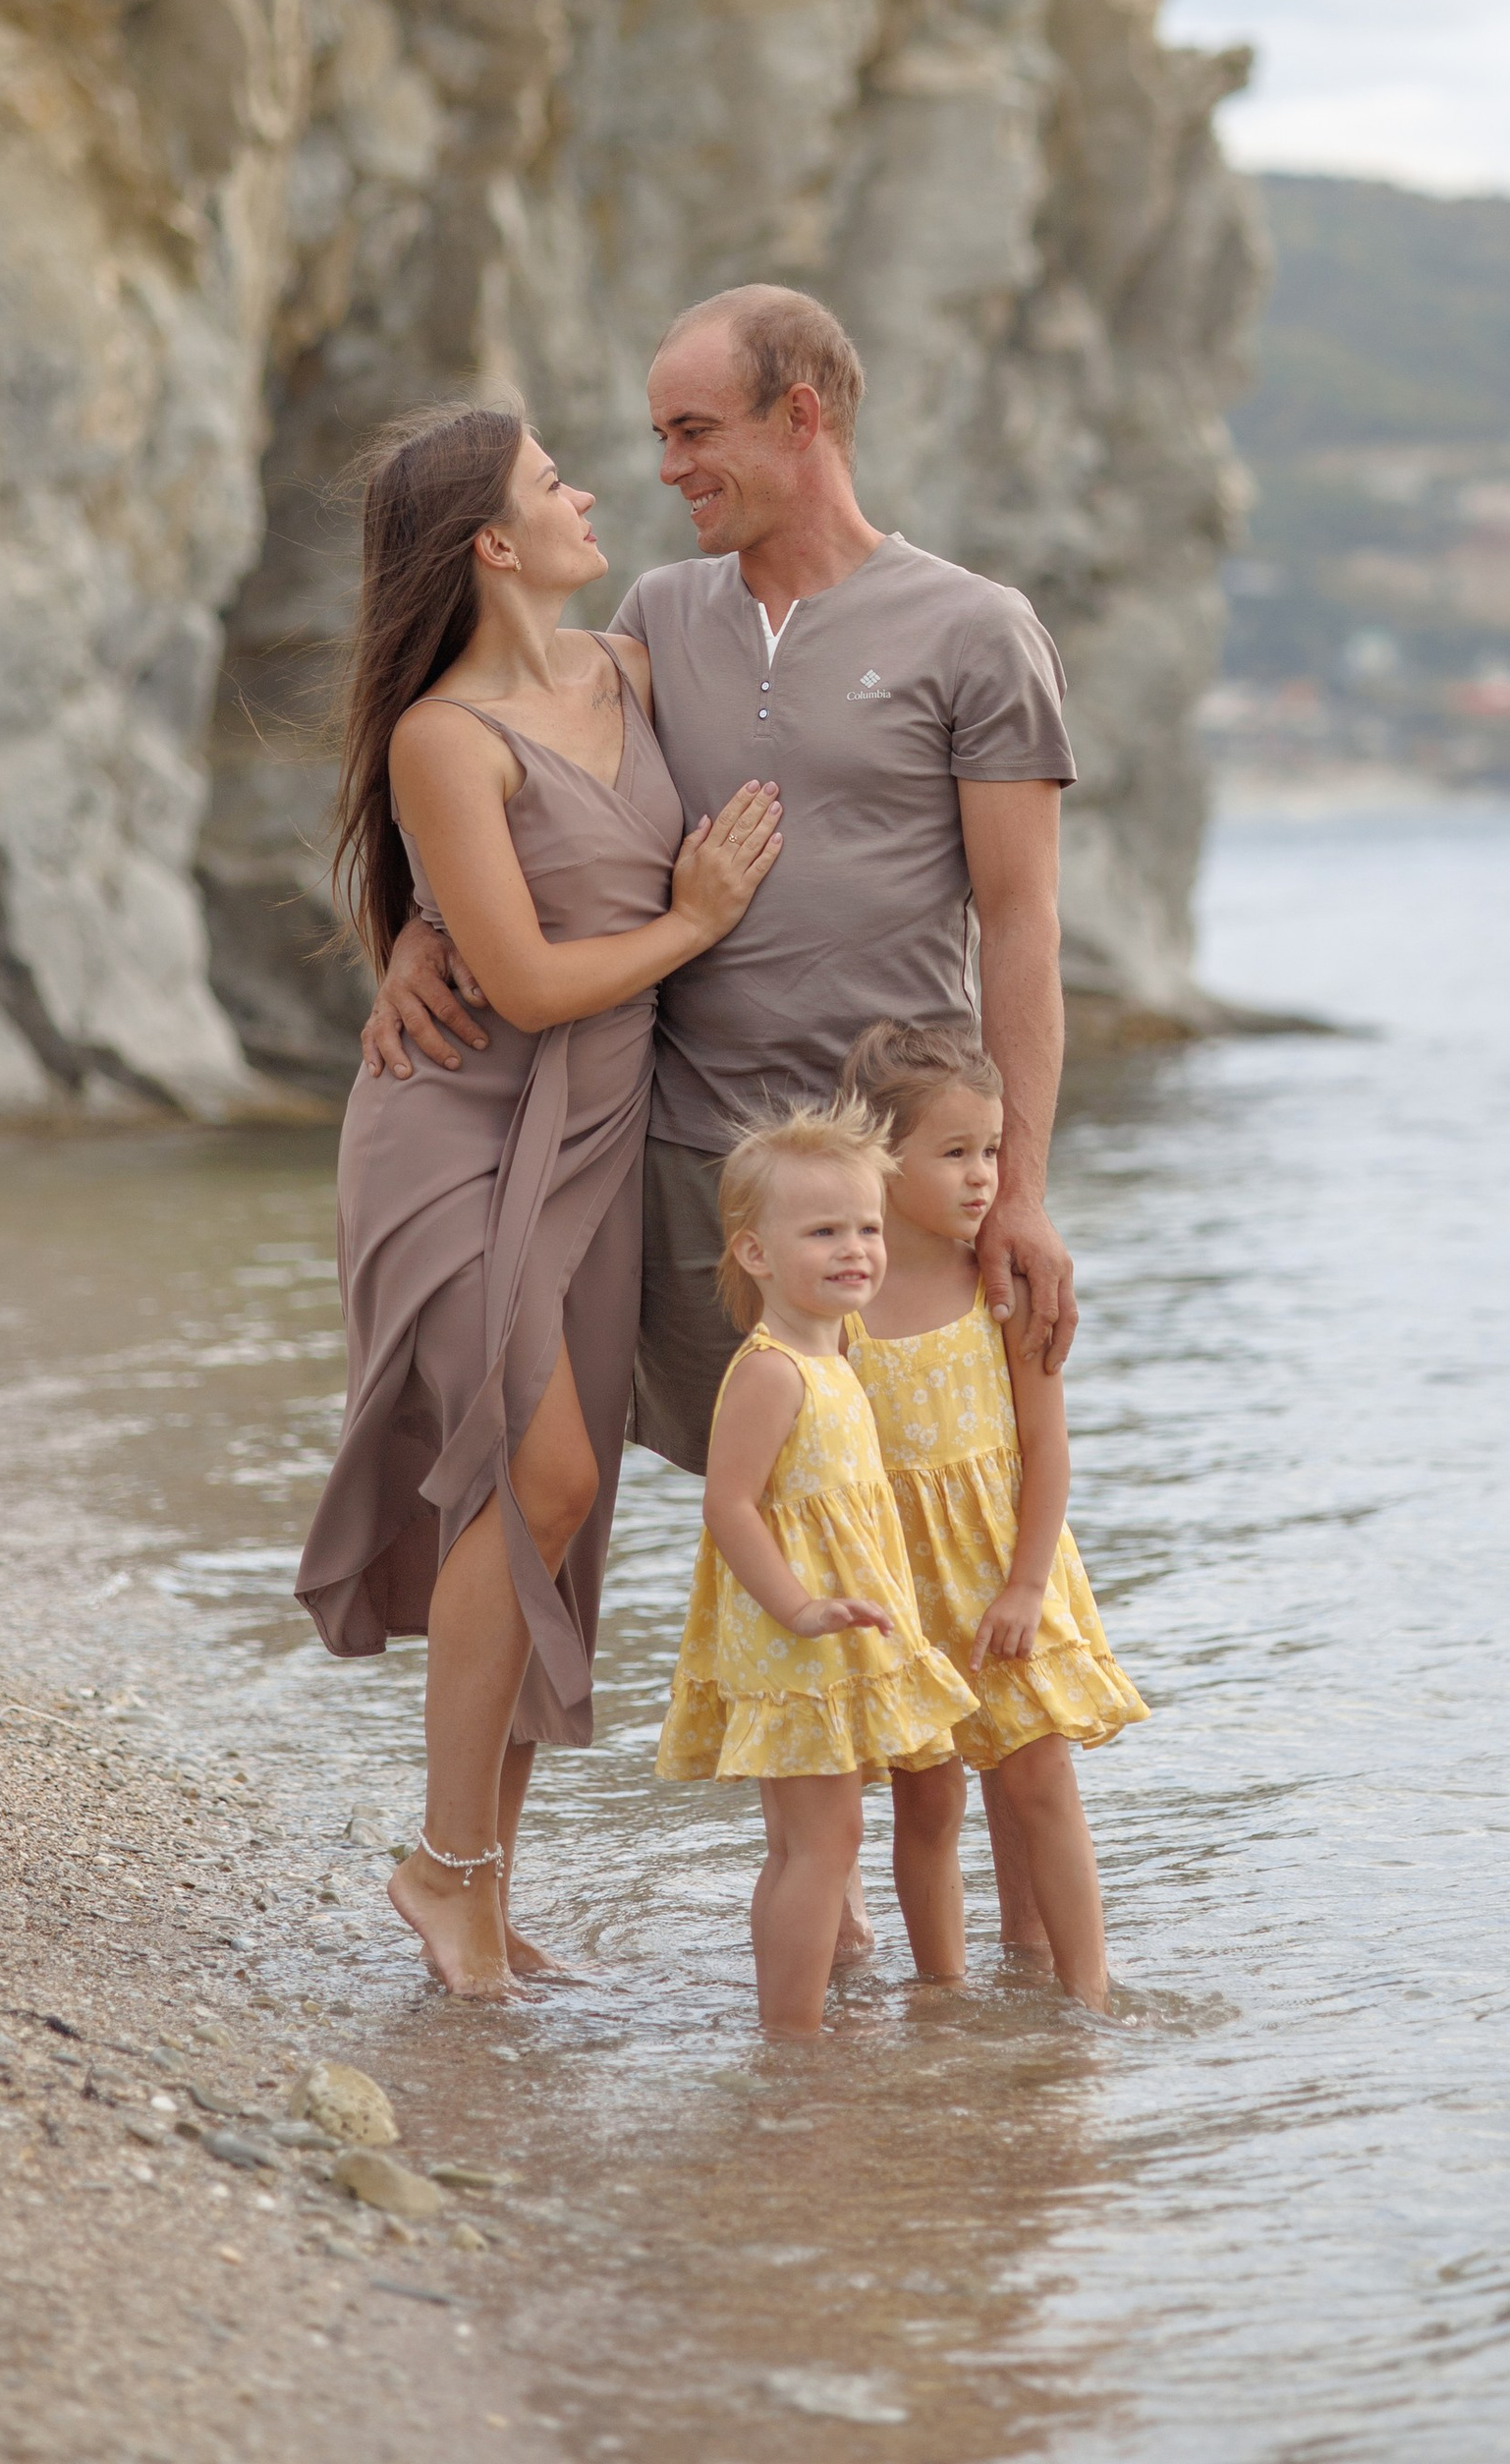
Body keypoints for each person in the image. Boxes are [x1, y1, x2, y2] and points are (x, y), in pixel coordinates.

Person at [360, 282, 1081, 1446]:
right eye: (658, 437)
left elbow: (1022, 921)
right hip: (699, 1163)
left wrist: (1023, 1194)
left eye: (693, 433)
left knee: (931, 1515)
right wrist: (420, 927)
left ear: (798, 419)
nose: (665, 468)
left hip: (894, 1164)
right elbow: (502, 752)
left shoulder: (977, 629)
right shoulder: (658, 615)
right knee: (755, 1513)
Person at [296, 405, 782, 2000]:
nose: (593, 498)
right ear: (495, 545)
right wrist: (697, 918)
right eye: (555, 483)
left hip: (594, 1136)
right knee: (539, 1470)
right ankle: (442, 1873)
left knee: (551, 1510)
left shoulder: (627, 668)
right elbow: (520, 975)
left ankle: (480, 1897)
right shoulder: (445, 734)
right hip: (454, 1130)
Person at [837, 1020, 1145, 2011]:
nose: (984, 1178)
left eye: (994, 1152)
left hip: (1010, 1578)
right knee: (924, 1804)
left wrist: (1022, 1586)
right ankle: (942, 2000)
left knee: (1041, 1781)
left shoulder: (999, 1291)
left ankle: (1086, 1994)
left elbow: (1047, 1449)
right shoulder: (839, 1308)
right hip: (903, 1597)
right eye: (956, 1153)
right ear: (879, 1162)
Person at [654, 1107, 978, 2035]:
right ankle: (790, 2036)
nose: (856, 1250)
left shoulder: (834, 1354)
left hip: (837, 1639)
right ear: (756, 1254)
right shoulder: (771, 1371)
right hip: (798, 1645)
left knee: (829, 1838)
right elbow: (730, 1505)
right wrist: (796, 1608)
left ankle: (814, 2012)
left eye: (869, 1228)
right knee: (818, 1844)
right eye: (825, 1232)